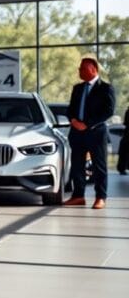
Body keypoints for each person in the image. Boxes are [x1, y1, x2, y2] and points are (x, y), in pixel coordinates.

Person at [64, 58, 116, 209]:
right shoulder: (78, 88)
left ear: (93, 69)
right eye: (79, 68)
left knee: (99, 166)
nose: (79, 71)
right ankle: (78, 196)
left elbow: (108, 111)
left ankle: (100, 197)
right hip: (77, 133)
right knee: (77, 166)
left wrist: (87, 124)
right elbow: (70, 109)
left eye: (82, 68)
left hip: (96, 133)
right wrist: (73, 120)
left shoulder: (106, 88)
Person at [119, 106, 129, 175]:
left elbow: (125, 123)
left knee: (124, 151)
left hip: (127, 133)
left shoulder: (127, 111)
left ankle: (122, 168)